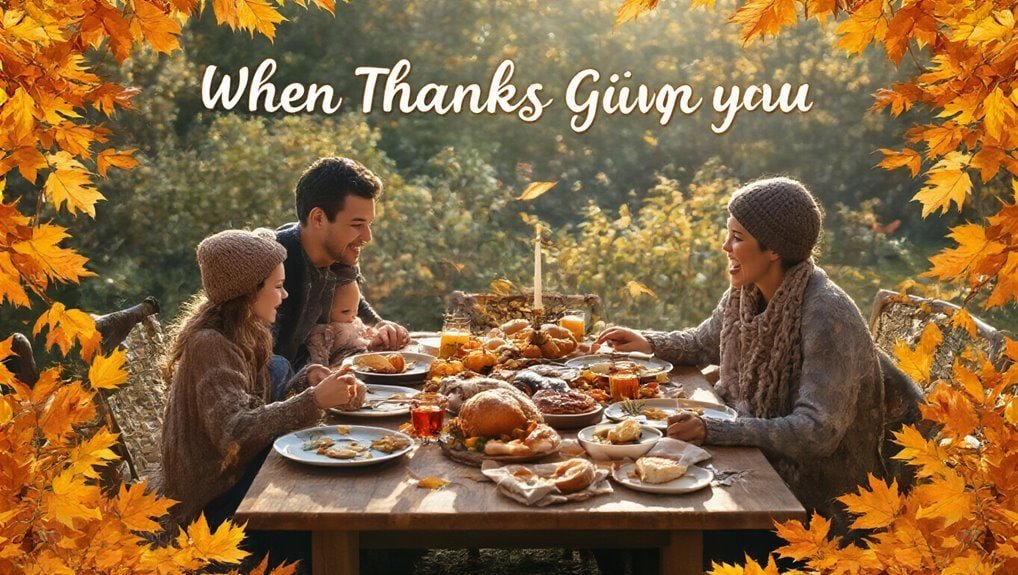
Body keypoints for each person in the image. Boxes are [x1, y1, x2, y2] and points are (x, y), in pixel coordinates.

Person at [597, 177, 885, 541]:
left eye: (738, 237)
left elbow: (817, 432)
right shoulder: (746, 291)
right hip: (756, 468)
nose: (725, 246)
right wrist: (647, 342)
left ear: (774, 250)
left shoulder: (827, 312)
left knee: (650, 527)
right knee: (633, 502)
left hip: (811, 509)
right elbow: (703, 342)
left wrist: (715, 429)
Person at [159, 228, 367, 534]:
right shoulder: (210, 344)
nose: (284, 296)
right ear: (249, 291)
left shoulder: (249, 331)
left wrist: (305, 382)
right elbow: (236, 433)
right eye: (278, 286)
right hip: (209, 506)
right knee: (320, 507)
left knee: (334, 474)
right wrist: (314, 400)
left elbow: (260, 407)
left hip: (238, 477)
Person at [273, 156, 409, 374]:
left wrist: (378, 325)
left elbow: (350, 298)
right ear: (318, 219)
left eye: (369, 224)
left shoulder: (338, 254)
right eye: (357, 225)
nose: (367, 237)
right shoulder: (273, 264)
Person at [304, 279, 375, 365]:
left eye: (355, 310)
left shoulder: (355, 321)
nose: (353, 315)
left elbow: (365, 332)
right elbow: (319, 357)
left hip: (365, 354)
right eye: (345, 311)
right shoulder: (324, 331)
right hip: (342, 364)